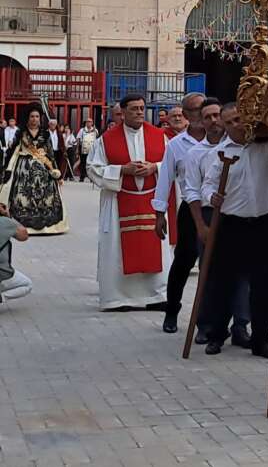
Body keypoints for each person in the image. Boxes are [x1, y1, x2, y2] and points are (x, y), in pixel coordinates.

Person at [199, 103, 268, 357]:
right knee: (224, 283)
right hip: (231, 225)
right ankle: (217, 335)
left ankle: (261, 340)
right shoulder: (220, 152)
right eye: (230, 122)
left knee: (263, 286)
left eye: (239, 118)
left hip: (264, 224)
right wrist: (212, 197)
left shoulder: (265, 146)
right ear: (224, 126)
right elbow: (207, 185)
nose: (236, 125)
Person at [87, 94, 171, 310]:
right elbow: (92, 168)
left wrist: (154, 167)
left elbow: (172, 164)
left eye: (142, 108)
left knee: (156, 247)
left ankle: (156, 296)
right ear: (122, 112)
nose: (139, 112)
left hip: (152, 201)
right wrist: (122, 170)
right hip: (118, 202)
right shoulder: (106, 140)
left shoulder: (159, 136)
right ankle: (118, 298)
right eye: (134, 109)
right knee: (116, 248)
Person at [182, 99, 251, 347]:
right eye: (207, 117)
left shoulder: (246, 148)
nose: (213, 122)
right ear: (201, 121)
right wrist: (201, 225)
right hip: (211, 214)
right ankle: (205, 324)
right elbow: (191, 191)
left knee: (242, 273)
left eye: (216, 116)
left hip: (238, 215)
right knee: (210, 271)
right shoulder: (196, 154)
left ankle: (241, 324)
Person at [151, 93, 206, 334]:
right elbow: (165, 178)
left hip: (218, 209)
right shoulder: (176, 145)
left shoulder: (221, 140)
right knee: (184, 260)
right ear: (185, 115)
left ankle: (206, 319)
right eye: (194, 110)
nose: (200, 114)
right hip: (190, 207)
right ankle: (172, 309)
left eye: (203, 108)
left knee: (213, 264)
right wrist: (159, 213)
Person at [1, 103, 67, 235]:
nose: (34, 119)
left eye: (37, 116)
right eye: (32, 116)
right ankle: (23, 224)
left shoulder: (45, 134)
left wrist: (56, 172)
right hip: (24, 166)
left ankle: (47, 224)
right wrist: (6, 170)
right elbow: (13, 151)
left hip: (43, 166)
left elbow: (50, 154)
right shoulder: (21, 133)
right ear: (28, 118)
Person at [0, 213, 31, 303]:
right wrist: (8, 216)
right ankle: (1, 297)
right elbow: (23, 236)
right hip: (2, 273)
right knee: (27, 284)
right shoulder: (5, 222)